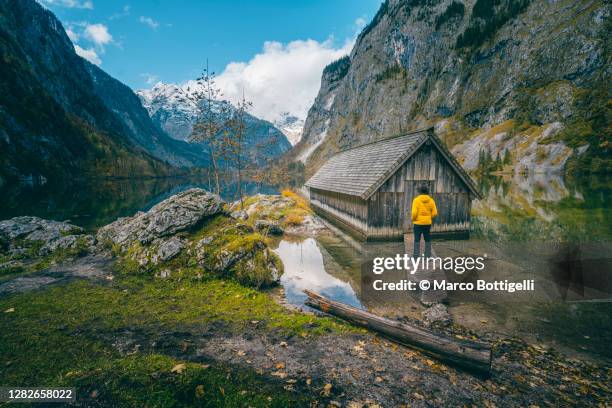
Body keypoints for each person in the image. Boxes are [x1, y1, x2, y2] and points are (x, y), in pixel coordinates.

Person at [411, 185, 437, 257]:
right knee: (427, 238)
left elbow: (414, 213)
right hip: (427, 223)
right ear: (427, 191)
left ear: (420, 191)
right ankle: (427, 255)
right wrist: (429, 217)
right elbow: (435, 213)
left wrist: (413, 219)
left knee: (417, 239)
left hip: (418, 223)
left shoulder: (416, 200)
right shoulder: (431, 200)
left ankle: (416, 256)